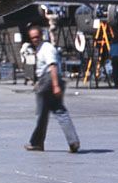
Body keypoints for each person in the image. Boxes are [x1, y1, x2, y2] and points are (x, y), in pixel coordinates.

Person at [25, 24, 80, 152]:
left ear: (41, 36)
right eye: (32, 38)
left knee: (41, 114)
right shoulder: (39, 49)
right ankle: (73, 141)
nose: (35, 39)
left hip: (48, 81)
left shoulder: (46, 48)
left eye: (37, 37)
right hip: (49, 81)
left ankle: (37, 142)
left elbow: (53, 66)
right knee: (59, 111)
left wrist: (55, 85)